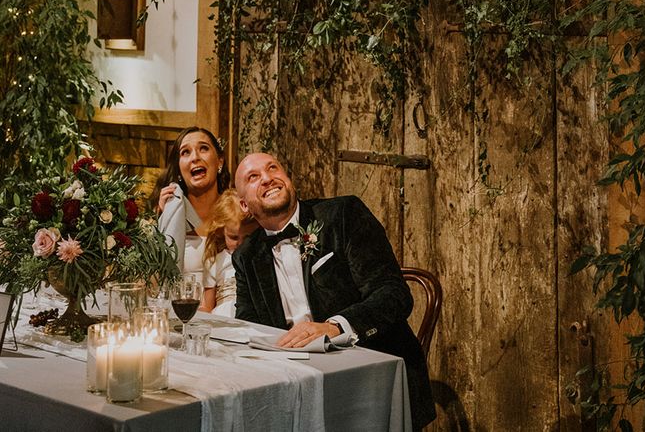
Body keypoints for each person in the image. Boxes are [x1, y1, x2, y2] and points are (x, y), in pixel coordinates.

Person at [233, 152, 436, 430]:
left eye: (273, 168)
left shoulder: (343, 215)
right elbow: (249, 326)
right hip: (296, 380)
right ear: (244, 205)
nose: (268, 178)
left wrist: (335, 327)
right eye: (253, 177)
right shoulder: (247, 255)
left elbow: (393, 295)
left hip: (368, 374)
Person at [152, 126, 231, 281]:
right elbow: (152, 279)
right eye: (185, 152)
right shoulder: (168, 212)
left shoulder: (236, 210)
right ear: (179, 170)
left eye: (203, 148)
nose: (195, 157)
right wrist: (162, 219)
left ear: (219, 161)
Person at [200, 188, 259, 317]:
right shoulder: (215, 261)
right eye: (233, 237)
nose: (240, 244)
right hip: (223, 317)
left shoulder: (259, 257)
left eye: (247, 237)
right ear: (221, 231)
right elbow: (208, 306)